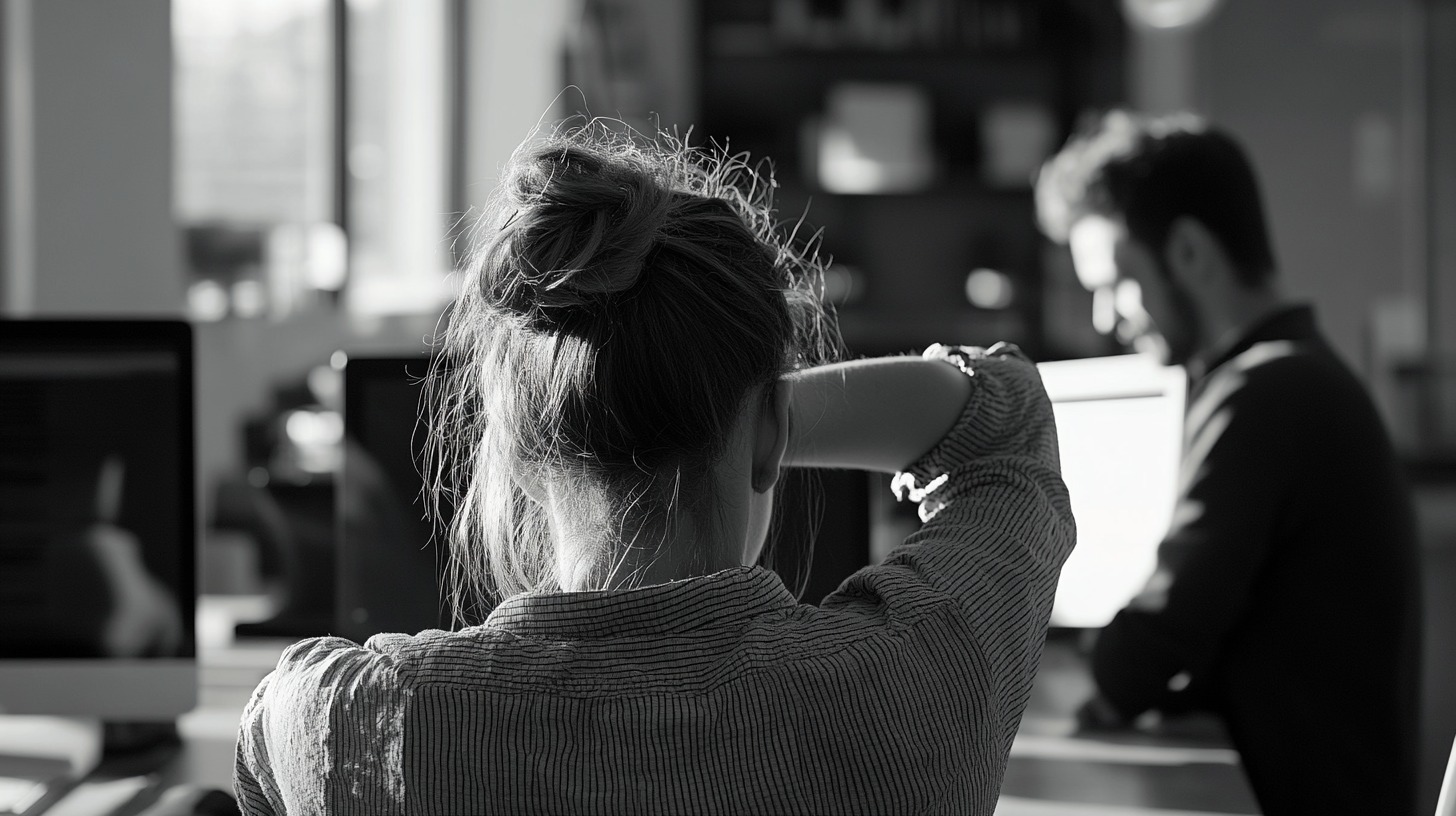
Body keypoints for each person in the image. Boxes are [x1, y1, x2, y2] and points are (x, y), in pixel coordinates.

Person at [233, 123, 1073, 814]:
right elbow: (1006, 422)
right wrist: (740, 414)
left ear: (519, 452)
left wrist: (731, 414)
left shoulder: (355, 719)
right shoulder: (918, 684)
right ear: (774, 432)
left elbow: (262, 747)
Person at [1035, 110, 1423, 816]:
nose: (1103, 317)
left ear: (1188, 251)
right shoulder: (1298, 378)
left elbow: (1159, 632)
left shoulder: (1269, 392)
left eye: (1115, 281)